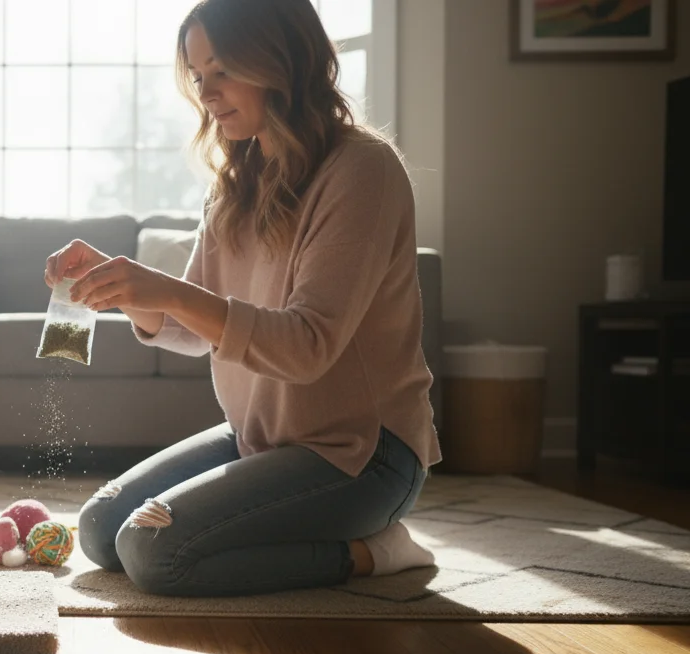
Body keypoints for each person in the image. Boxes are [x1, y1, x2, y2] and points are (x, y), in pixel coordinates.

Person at [44, 0, 441, 597]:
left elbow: (307, 346)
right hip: (261, 436)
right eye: (199, 76)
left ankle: (374, 552)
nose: (206, 92)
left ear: (281, 59)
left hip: (360, 454)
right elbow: (191, 325)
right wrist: (122, 288)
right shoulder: (239, 182)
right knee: (101, 531)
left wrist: (168, 289)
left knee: (154, 552)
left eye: (222, 68)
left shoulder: (362, 170)